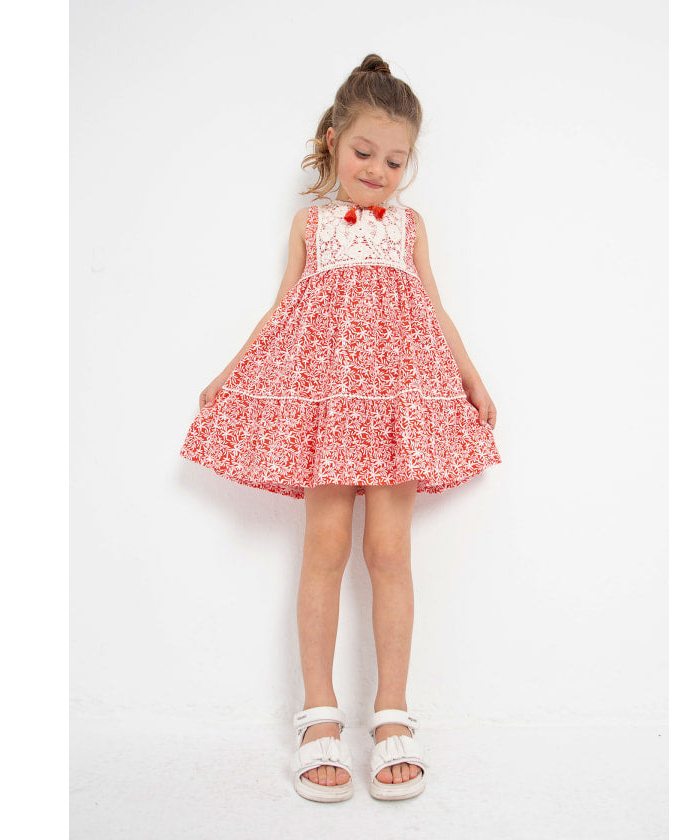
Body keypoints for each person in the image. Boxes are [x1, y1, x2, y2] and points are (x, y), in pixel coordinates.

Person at [180, 54, 501, 803]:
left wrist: (470, 375)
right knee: (324, 551)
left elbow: (434, 307)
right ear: (332, 140)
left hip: (397, 401)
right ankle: (318, 715)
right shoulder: (312, 224)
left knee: (390, 553)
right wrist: (232, 372)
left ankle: (393, 713)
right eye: (364, 152)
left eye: (396, 160)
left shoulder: (410, 227)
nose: (379, 170)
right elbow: (281, 309)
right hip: (329, 404)